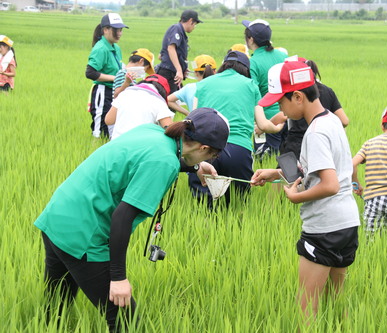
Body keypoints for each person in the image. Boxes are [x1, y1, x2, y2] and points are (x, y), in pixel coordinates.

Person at [34, 108, 230, 332]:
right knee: (127, 322)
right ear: (203, 148)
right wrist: (118, 279)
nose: (210, 159)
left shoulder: (153, 132)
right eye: (212, 155)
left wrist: (195, 166)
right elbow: (122, 216)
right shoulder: (164, 162)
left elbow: (151, 158)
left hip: (58, 216)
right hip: (84, 235)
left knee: (55, 306)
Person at [251, 61, 360, 320]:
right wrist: (275, 173)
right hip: (346, 223)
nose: (280, 108)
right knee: (337, 301)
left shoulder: (315, 132)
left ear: (298, 97)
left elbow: (329, 184)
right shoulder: (332, 120)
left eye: (281, 102)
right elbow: (319, 170)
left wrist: (295, 197)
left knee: (306, 307)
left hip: (323, 228)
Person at [192, 50, 284, 205]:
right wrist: (277, 128)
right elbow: (262, 124)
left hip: (204, 149)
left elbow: (192, 119)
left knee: (204, 205)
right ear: (246, 69)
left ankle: (207, 227)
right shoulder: (250, 85)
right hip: (238, 150)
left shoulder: (203, 84)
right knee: (237, 204)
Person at [279, 58, 349, 160]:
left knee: (290, 174)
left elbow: (281, 117)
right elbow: (344, 121)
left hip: (295, 146)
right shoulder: (327, 91)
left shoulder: (315, 133)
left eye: (281, 104)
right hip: (320, 145)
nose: (282, 110)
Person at [243, 19, 288, 158]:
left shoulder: (253, 62)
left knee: (264, 161)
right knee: (287, 161)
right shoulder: (283, 56)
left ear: (250, 40)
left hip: (266, 121)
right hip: (288, 115)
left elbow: (253, 95)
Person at [86, 13, 128, 138]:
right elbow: (90, 73)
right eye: (116, 30)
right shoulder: (100, 48)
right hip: (103, 92)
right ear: (105, 30)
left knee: (113, 128)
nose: (119, 33)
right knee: (100, 130)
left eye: (121, 30)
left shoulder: (116, 48)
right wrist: (116, 78)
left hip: (115, 92)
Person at [105, 74, 175, 140]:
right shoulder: (158, 102)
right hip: (141, 146)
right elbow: (170, 130)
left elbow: (108, 120)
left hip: (117, 143)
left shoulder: (124, 95)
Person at [157, 10, 202, 94]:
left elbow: (160, 56)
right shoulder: (176, 29)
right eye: (195, 24)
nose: (194, 27)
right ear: (190, 21)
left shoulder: (180, 32)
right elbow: (171, 48)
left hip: (172, 73)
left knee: (174, 99)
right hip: (169, 74)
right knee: (170, 101)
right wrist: (179, 70)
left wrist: (183, 67)